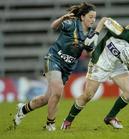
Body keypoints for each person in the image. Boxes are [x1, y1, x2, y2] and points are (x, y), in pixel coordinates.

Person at [13, 2, 96, 131]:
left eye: (95, 18)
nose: (93, 20)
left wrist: (95, 51)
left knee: (47, 98)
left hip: (67, 68)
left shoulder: (90, 34)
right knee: (58, 90)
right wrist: (62, 18)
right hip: (53, 58)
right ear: (82, 17)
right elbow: (53, 26)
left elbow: (90, 52)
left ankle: (22, 109)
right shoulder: (72, 24)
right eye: (90, 17)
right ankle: (50, 124)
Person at [61, 17, 129, 129]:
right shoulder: (121, 31)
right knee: (88, 95)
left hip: (117, 66)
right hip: (100, 62)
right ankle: (68, 120)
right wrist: (95, 34)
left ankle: (110, 117)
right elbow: (105, 20)